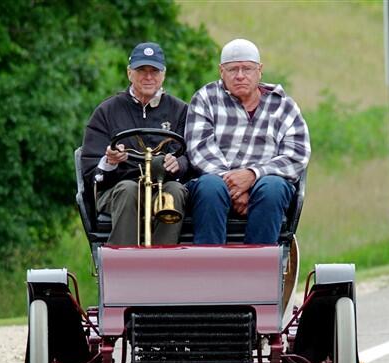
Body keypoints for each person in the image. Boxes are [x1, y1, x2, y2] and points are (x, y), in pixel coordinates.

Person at [184, 38, 311, 244]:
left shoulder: (284, 106)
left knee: (272, 188)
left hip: (265, 184)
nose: (240, 75)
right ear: (221, 71)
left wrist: (253, 176)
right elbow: (200, 149)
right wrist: (234, 188)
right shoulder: (205, 98)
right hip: (215, 182)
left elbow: (297, 155)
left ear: (259, 70)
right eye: (233, 69)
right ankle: (207, 269)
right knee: (209, 187)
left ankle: (259, 269)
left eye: (247, 69)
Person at [81, 42, 189, 245]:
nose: (148, 77)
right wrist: (110, 161)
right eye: (142, 70)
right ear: (130, 73)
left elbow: (192, 157)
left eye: (154, 71)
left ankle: (163, 267)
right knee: (128, 190)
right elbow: (90, 172)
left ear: (163, 74)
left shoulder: (181, 111)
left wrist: (179, 163)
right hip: (117, 191)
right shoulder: (106, 112)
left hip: (163, 187)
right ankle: (125, 268)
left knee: (174, 192)